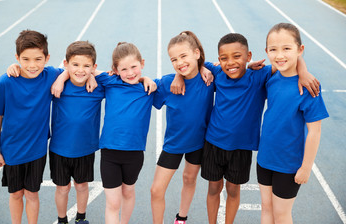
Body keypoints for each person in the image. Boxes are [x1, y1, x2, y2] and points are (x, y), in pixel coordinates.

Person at [199, 32, 319, 224]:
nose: (230, 63)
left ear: (248, 57)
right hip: (213, 142)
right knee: (213, 188)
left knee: (232, 189)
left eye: (237, 57)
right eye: (224, 59)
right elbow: (199, 62)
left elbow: (289, 63)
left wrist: (303, 71)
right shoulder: (218, 73)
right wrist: (200, 70)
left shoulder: (260, 75)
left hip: (242, 148)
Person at [0, 30, 64, 224]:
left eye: (38, 59)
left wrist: (65, 78)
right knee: (15, 194)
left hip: (37, 151)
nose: (32, 65)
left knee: (32, 194)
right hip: (12, 150)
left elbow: (74, 69)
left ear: (47, 58)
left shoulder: (50, 75)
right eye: (25, 59)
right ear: (17, 58)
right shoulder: (6, 81)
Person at [257, 23, 329, 224]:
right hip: (265, 158)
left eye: (287, 49)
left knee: (281, 215)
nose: (279, 55)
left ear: (300, 50)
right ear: (267, 52)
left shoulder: (309, 87)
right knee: (266, 209)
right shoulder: (271, 76)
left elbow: (315, 131)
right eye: (273, 49)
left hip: (288, 163)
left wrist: (306, 167)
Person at [150, 31, 214, 224]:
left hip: (199, 142)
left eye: (183, 56)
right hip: (174, 144)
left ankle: (181, 218)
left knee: (189, 179)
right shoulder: (169, 83)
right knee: (156, 189)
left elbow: (233, 69)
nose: (179, 62)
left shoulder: (210, 75)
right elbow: (146, 91)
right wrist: (148, 80)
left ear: (196, 53)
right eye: (174, 60)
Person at [95, 42, 156, 224]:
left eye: (134, 67)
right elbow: (86, 68)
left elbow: (180, 78)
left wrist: (147, 79)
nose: (130, 73)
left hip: (134, 154)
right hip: (110, 153)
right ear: (115, 70)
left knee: (128, 191)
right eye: (124, 69)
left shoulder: (149, 89)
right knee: (113, 202)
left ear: (142, 64)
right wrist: (61, 78)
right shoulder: (110, 81)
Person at [49, 41, 105, 224]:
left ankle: (81, 218)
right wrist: (61, 77)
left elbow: (119, 75)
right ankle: (62, 219)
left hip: (85, 149)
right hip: (59, 149)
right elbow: (35, 70)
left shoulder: (98, 86)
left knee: (82, 186)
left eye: (86, 66)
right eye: (75, 65)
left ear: (94, 67)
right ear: (65, 64)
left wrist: (93, 75)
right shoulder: (56, 82)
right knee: (62, 188)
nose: (80, 70)